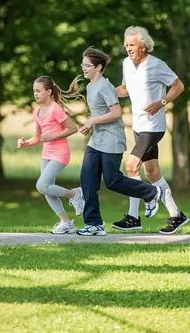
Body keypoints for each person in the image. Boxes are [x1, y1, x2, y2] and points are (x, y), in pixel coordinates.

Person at [76, 47, 163, 236]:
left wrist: (91, 121)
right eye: (83, 65)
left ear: (98, 67)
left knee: (113, 181)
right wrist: (91, 125)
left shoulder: (105, 87)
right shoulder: (90, 86)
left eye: (87, 65)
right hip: (96, 140)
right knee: (87, 180)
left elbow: (116, 113)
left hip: (112, 141)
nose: (84, 68)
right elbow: (101, 114)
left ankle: (152, 193)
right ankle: (94, 224)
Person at [112, 26, 189, 234]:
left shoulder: (157, 65)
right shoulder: (127, 64)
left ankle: (133, 216)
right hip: (138, 125)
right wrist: (103, 90)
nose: (128, 48)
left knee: (130, 166)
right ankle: (176, 215)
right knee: (152, 172)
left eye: (132, 45)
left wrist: (161, 101)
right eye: (126, 45)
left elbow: (178, 86)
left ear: (144, 46)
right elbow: (124, 89)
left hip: (153, 126)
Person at [17, 75, 85, 234]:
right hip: (46, 153)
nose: (35, 94)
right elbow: (38, 137)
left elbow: (72, 128)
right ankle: (66, 222)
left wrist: (52, 137)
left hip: (60, 153)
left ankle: (74, 194)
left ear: (48, 92)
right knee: (46, 188)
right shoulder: (38, 111)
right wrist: (26, 142)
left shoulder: (56, 109)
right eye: (34, 91)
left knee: (41, 185)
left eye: (38, 91)